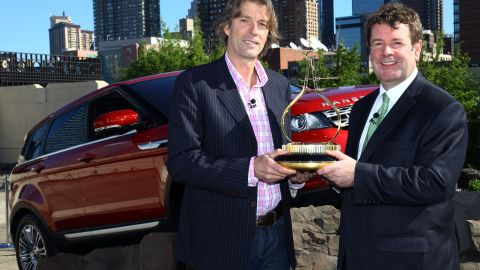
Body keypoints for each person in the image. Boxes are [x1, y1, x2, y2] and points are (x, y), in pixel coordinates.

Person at [316, 3, 468, 270]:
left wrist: (357, 174)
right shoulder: (362, 107)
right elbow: (354, 180)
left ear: (417, 50)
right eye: (377, 43)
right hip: (356, 256)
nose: (386, 52)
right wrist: (312, 177)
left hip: (412, 260)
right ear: (369, 51)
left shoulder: (442, 109)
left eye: (397, 42)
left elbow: (436, 183)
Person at [166, 0, 307, 269]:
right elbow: (181, 162)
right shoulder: (195, 84)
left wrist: (295, 177)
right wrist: (252, 169)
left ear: (268, 34)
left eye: (262, 24)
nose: (254, 30)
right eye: (244, 20)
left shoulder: (279, 85)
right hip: (221, 241)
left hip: (277, 236)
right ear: (227, 27)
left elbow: (282, 153)